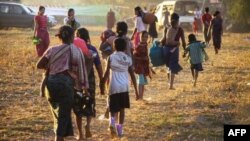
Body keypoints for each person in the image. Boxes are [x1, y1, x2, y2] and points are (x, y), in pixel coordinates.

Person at [36, 25, 89, 141]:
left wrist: (50, 67)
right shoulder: (76, 51)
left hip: (50, 84)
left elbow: (39, 65)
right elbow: (82, 71)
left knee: (57, 114)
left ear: (59, 37)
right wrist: (84, 88)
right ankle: (58, 137)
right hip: (66, 85)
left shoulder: (52, 49)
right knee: (63, 116)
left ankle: (60, 136)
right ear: (71, 37)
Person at [73, 27, 104, 140]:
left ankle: (80, 133)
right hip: (89, 79)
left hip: (76, 80)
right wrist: (102, 81)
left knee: (77, 105)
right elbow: (99, 67)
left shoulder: (74, 48)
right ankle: (88, 126)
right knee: (90, 102)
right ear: (87, 37)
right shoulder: (92, 49)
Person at [101, 38, 134, 138]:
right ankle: (120, 131)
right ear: (125, 47)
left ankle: (111, 123)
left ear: (114, 47)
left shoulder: (111, 57)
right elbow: (132, 73)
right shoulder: (128, 58)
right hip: (124, 87)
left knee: (113, 109)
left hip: (114, 86)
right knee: (122, 109)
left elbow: (106, 73)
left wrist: (102, 84)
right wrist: (136, 90)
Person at [162, 13, 186, 89]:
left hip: (166, 49)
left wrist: (159, 45)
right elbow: (183, 42)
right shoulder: (180, 29)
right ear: (178, 20)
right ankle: (171, 85)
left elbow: (164, 39)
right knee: (173, 66)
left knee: (169, 66)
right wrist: (185, 51)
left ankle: (169, 82)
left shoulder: (167, 27)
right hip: (174, 50)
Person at [133, 31, 150, 100]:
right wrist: (143, 58)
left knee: (142, 82)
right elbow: (135, 56)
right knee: (140, 82)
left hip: (143, 66)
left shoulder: (145, 45)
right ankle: (139, 97)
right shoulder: (139, 46)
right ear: (140, 37)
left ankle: (141, 97)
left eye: (146, 37)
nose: (145, 38)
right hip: (139, 67)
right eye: (143, 37)